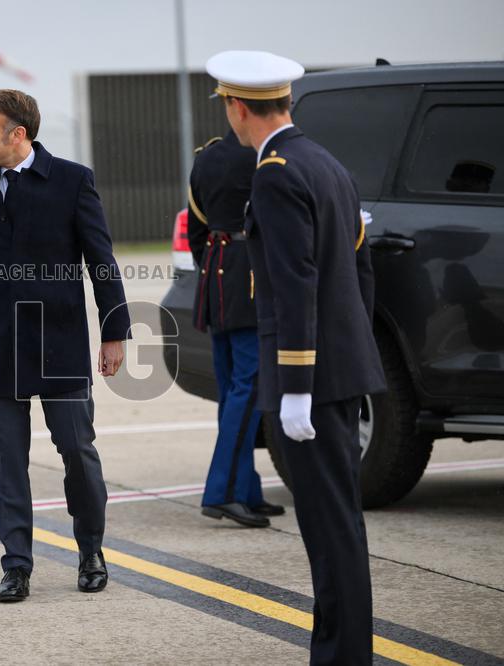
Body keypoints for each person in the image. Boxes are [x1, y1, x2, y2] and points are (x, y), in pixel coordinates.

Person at [206, 51, 387, 664]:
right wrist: (350, 354)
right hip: (341, 370)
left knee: (329, 529)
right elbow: (358, 268)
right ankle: (343, 650)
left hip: (311, 381)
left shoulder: (277, 173)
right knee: (341, 524)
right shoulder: (323, 161)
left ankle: (341, 656)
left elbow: (294, 283)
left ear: (236, 107)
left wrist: (298, 385)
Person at [0, 89, 131, 602]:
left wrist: (115, 331)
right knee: (7, 460)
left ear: (17, 134)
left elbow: (101, 260)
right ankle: (16, 565)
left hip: (61, 340)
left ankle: (90, 549)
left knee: (77, 450)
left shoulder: (72, 180)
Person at [187, 130, 285, 528]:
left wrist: (216, 273)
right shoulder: (265, 157)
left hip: (216, 277)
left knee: (233, 391)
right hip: (249, 280)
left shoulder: (207, 156)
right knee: (248, 388)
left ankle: (245, 489)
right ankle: (224, 493)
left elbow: (197, 231)